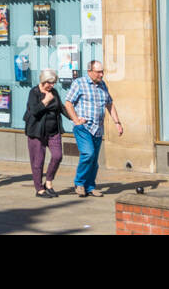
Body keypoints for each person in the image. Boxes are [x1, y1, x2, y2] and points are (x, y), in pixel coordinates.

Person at [63, 60, 123, 197]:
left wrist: (117, 123)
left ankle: (90, 186)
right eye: (98, 72)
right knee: (88, 154)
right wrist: (76, 120)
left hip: (98, 128)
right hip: (83, 127)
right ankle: (79, 183)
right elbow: (68, 103)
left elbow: (110, 104)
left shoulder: (103, 85)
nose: (101, 75)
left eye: (102, 72)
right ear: (89, 71)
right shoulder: (79, 83)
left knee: (94, 160)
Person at [24, 69, 65, 198]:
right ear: (43, 81)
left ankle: (48, 182)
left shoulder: (54, 92)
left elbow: (61, 108)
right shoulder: (34, 92)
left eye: (53, 83)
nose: (51, 86)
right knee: (38, 161)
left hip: (54, 131)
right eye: (49, 83)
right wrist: (46, 101)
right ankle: (39, 189)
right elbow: (34, 111)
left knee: (57, 156)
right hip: (37, 132)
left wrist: (75, 119)